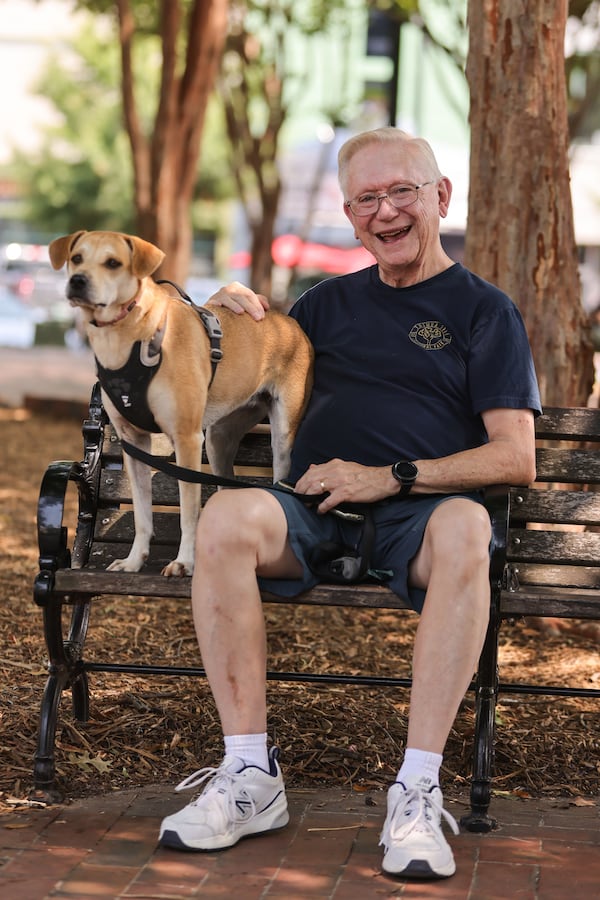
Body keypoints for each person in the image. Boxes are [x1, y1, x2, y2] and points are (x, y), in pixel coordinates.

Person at [158, 127, 541, 880]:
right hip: (311, 504)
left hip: (417, 515)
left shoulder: (484, 312)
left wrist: (391, 476)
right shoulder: (324, 305)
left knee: (469, 527)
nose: (386, 211)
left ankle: (418, 789)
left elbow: (515, 458)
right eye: (367, 198)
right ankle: (248, 776)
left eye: (402, 191)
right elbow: (232, 359)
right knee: (228, 518)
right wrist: (217, 312)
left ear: (440, 197)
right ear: (350, 212)